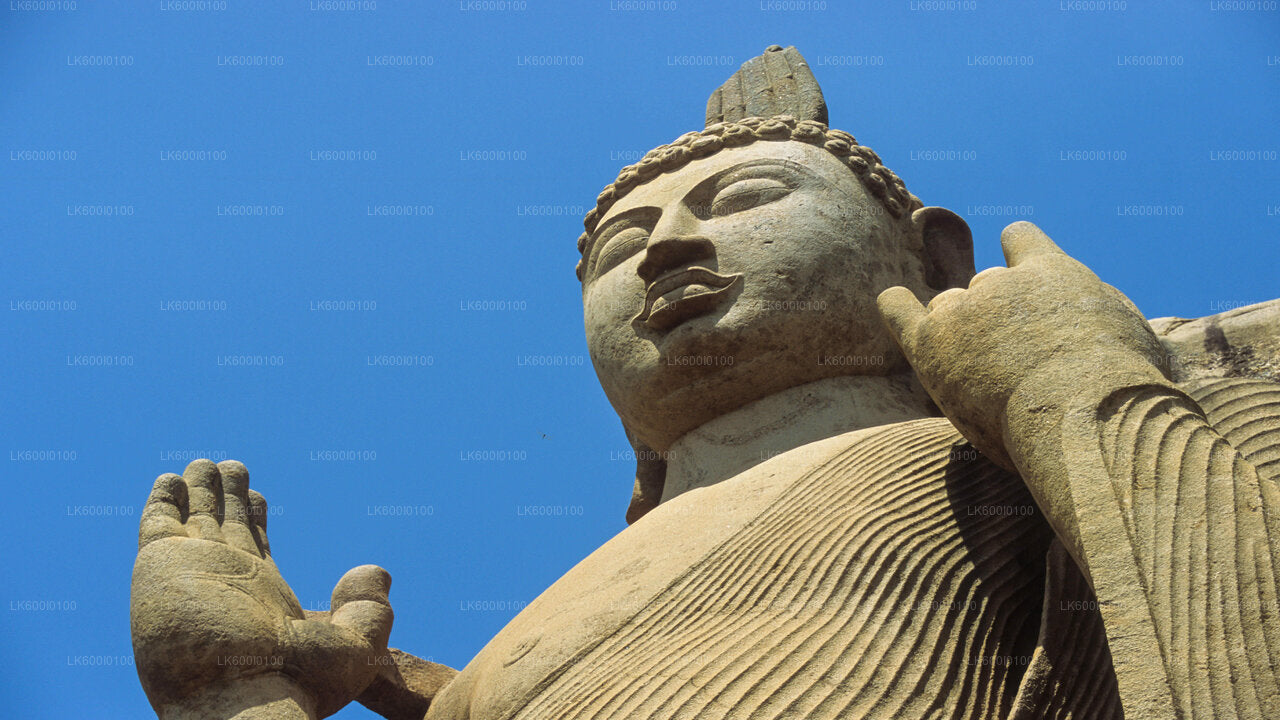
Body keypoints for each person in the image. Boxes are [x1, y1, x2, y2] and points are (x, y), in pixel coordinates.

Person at [131, 46, 1280, 720]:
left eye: (742, 205)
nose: (667, 249)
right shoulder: (507, 655)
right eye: (621, 245)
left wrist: (1087, 388)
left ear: (930, 260)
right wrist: (244, 688)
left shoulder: (1105, 390)